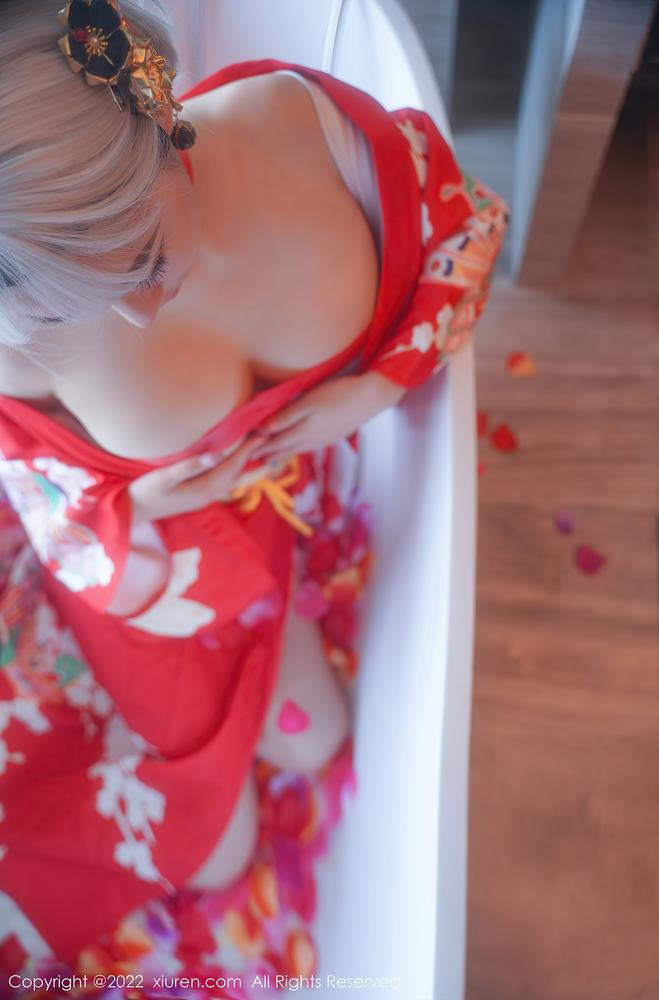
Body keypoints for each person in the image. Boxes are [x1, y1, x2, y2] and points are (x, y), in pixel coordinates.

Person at [0, 0, 508, 979]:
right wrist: (144, 503)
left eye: (143, 257)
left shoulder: (305, 131)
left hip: (281, 527)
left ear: (162, 118)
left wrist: (376, 385)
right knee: (220, 848)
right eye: (84, 304)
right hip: (158, 582)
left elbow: (469, 228)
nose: (141, 315)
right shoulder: (18, 314)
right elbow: (31, 476)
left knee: (320, 742)